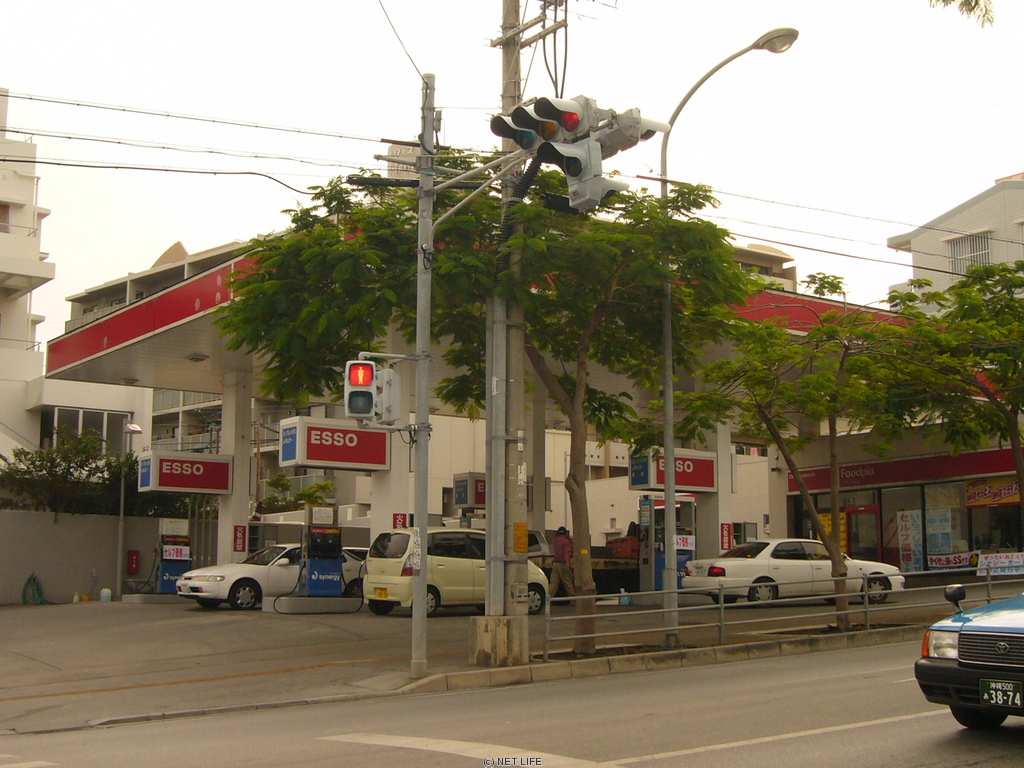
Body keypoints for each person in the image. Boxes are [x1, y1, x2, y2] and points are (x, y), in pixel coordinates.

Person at [549, 526, 575, 600]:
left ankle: (548, 599)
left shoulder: (556, 540)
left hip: (556, 564)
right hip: (563, 565)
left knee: (553, 584)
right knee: (568, 582)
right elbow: (566, 552)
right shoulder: (566, 541)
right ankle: (573, 600)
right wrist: (567, 563)